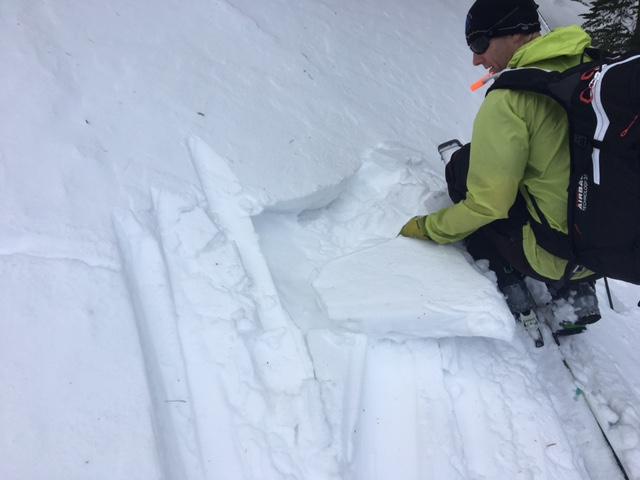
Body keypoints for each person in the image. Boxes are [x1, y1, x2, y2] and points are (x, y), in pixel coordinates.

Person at [399, 0, 601, 331]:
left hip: (551, 255)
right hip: (608, 247)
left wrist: (428, 228)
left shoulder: (510, 99)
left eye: (479, 44)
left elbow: (488, 204)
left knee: (463, 172)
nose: (476, 59)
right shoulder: (593, 67)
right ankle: (580, 293)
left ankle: (505, 271)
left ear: (518, 35)